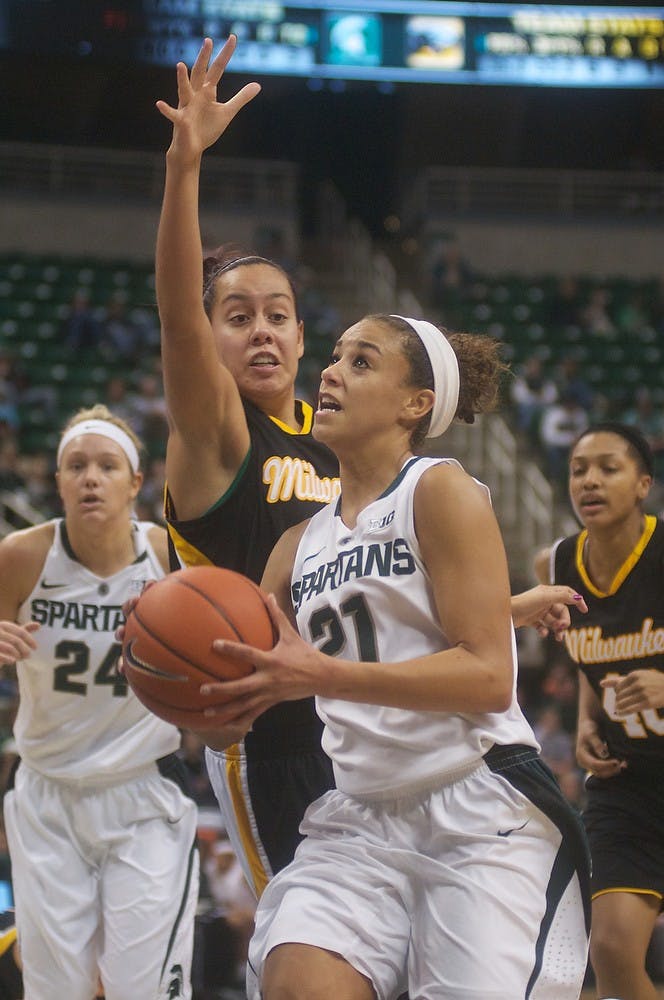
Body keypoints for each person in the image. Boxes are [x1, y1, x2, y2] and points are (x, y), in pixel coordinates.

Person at [152, 35, 593, 906]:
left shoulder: (343, 448)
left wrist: (495, 608)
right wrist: (184, 167)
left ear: (307, 336)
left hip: (363, 724)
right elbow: (175, 318)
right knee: (310, 942)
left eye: (279, 314)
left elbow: (360, 600)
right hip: (269, 731)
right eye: (236, 318)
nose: (263, 332)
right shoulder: (217, 436)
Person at [197, 314, 591, 999]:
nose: (329, 371)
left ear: (417, 404)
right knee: (297, 983)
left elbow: (489, 677)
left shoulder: (439, 490)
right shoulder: (296, 545)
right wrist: (181, 684)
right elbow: (236, 703)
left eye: (361, 361)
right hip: (360, 816)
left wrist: (326, 675)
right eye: (334, 356)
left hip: (477, 807)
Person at [0, 405, 199, 1000]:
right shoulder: (21, 556)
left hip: (142, 791)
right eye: (76, 466)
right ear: (58, 481)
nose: (90, 477)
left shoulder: (167, 556)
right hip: (47, 795)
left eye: (107, 466)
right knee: (55, 990)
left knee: (142, 988)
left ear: (136, 483)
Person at [535, 422, 664, 1000]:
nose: (589, 480)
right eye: (578, 469)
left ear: (642, 484)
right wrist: (588, 720)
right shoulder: (555, 566)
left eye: (608, 468)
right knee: (610, 947)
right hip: (625, 782)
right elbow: (594, 660)